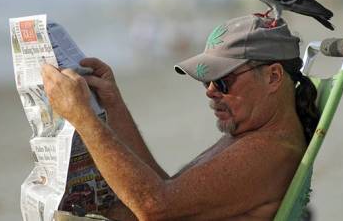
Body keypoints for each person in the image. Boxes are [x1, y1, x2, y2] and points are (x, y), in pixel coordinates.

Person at [42, 15, 320, 221]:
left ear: (273, 77)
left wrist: (84, 118)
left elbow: (156, 208)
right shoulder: (252, 136)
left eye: (223, 81)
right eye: (206, 81)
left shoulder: (268, 151)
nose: (211, 92)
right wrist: (113, 105)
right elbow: (168, 191)